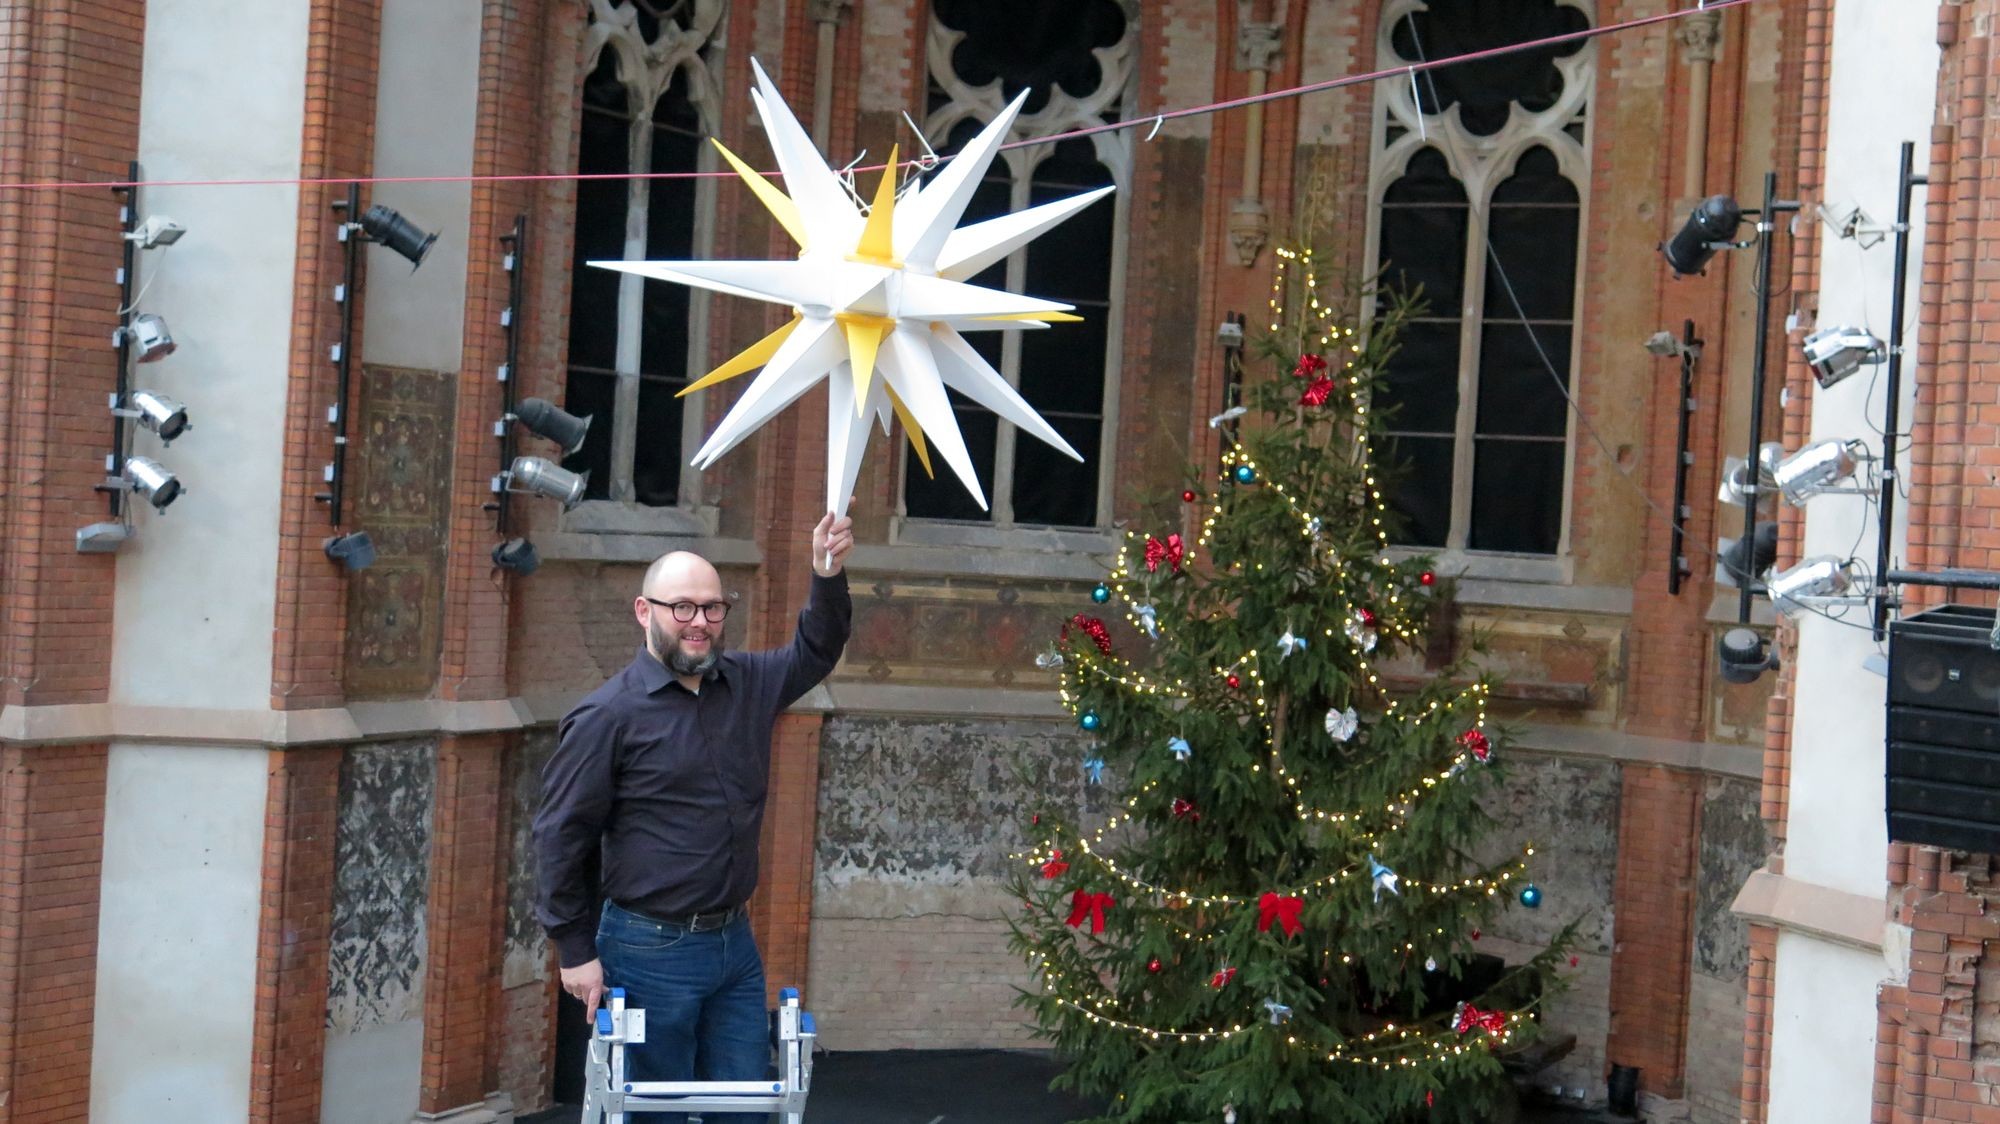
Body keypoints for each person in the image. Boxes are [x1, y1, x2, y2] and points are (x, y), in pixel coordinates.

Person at [533, 514, 854, 1117]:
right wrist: (573, 948)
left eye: (712, 608)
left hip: (733, 943)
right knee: (659, 1112)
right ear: (644, 611)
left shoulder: (747, 683)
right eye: (681, 608)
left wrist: (826, 573)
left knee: (742, 1107)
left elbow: (818, 649)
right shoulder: (607, 716)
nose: (699, 623)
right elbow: (559, 836)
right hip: (647, 948)